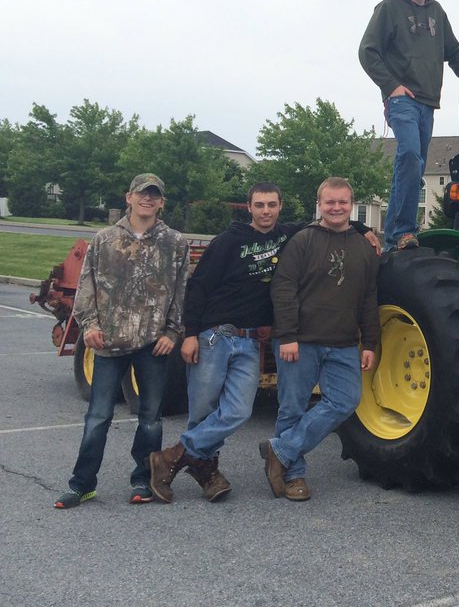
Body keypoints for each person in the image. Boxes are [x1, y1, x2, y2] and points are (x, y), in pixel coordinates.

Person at [148, 183, 379, 504]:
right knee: (205, 410)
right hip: (216, 334)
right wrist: (190, 334)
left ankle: (180, 455)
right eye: (259, 205)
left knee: (240, 412)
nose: (266, 211)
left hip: (249, 339)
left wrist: (364, 228)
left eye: (272, 205)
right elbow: (200, 286)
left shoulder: (290, 235)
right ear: (250, 208)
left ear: (280, 207)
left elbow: (337, 229)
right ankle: (210, 472)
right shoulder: (231, 242)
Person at [55, 174, 189, 508]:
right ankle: (82, 484)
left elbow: (181, 293)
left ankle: (143, 479)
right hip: (109, 343)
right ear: (128, 197)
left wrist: (172, 333)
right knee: (98, 416)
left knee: (150, 418)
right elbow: (88, 287)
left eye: (154, 195)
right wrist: (89, 325)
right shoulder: (104, 239)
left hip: (153, 344)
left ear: (161, 202)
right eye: (142, 194)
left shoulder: (175, 243)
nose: (148, 199)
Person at [260, 178, 381, 501]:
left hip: (343, 343)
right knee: (292, 409)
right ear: (320, 204)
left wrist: (370, 343)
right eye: (330, 202)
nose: (337, 208)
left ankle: (280, 451)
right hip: (300, 341)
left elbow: (369, 298)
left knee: (345, 400)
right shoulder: (302, 241)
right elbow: (283, 289)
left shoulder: (363, 247)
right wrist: (286, 336)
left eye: (343, 202)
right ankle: (294, 476)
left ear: (352, 204)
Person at [359, 0, 459, 251]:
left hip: (428, 101)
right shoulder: (389, 8)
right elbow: (368, 51)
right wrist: (391, 86)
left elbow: (453, 50)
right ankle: (400, 232)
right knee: (410, 155)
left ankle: (399, 234)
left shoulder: (437, 13)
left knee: (413, 164)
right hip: (402, 98)